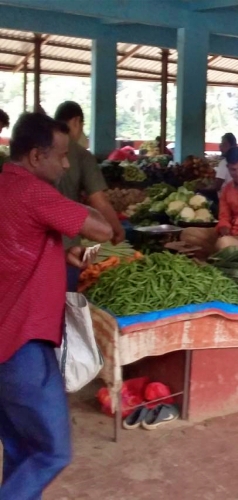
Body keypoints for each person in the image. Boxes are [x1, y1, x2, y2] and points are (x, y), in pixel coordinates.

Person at [0, 112, 113, 499]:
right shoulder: (34, 191)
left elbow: (14, 251)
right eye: (62, 156)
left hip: (5, 342)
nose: (66, 164)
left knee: (21, 449)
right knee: (52, 452)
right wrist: (87, 200)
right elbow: (103, 230)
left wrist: (58, 258)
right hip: (22, 345)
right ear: (35, 156)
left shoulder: (4, 185)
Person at [54, 101, 124, 289]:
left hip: (39, 249)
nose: (65, 164)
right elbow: (99, 201)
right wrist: (116, 230)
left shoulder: (37, 154)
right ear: (76, 121)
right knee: (63, 303)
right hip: (67, 244)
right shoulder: (80, 154)